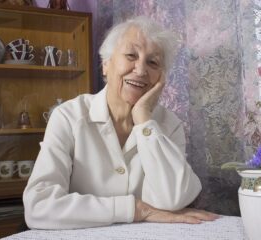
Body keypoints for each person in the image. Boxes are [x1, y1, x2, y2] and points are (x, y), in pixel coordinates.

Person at [23, 16, 218, 229]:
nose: (141, 70)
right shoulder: (68, 117)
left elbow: (173, 199)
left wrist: (144, 119)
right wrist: (136, 210)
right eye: (131, 55)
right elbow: (39, 207)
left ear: (161, 77)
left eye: (153, 62)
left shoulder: (169, 125)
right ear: (106, 64)